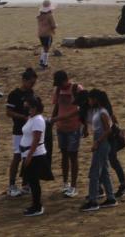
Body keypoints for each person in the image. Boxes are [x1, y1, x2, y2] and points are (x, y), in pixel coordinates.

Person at [80, 89, 118, 211]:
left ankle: (93, 200)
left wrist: (97, 142)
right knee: (104, 172)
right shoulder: (98, 111)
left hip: (102, 142)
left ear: (95, 99)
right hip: (101, 141)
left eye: (90, 99)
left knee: (95, 172)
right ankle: (111, 198)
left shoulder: (102, 113)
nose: (89, 101)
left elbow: (108, 130)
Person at [50, 70, 83, 198]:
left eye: (60, 83)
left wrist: (84, 126)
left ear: (66, 80)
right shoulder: (58, 90)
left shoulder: (77, 89)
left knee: (73, 156)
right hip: (61, 128)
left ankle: (73, 186)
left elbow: (81, 109)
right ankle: (65, 183)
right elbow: (56, 107)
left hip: (74, 127)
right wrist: (52, 121)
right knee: (64, 155)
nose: (59, 86)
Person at [6, 67, 38, 197]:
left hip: (29, 130)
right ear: (24, 80)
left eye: (34, 83)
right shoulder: (14, 94)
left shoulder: (31, 93)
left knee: (28, 157)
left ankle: (26, 184)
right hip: (19, 131)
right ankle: (12, 185)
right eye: (31, 82)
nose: (32, 85)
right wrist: (23, 117)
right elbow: (8, 113)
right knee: (17, 156)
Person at [21, 95, 53, 216]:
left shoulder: (38, 120)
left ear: (34, 107)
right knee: (32, 180)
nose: (26, 108)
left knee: (34, 181)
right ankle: (35, 205)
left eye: (27, 106)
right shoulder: (31, 118)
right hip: (29, 154)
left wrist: (29, 156)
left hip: (35, 155)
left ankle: (37, 207)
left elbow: (36, 139)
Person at [36, 0, 56, 69]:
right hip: (47, 34)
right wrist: (55, 27)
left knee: (44, 47)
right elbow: (53, 25)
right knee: (47, 48)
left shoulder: (39, 15)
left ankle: (42, 60)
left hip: (40, 34)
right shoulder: (50, 15)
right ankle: (44, 63)